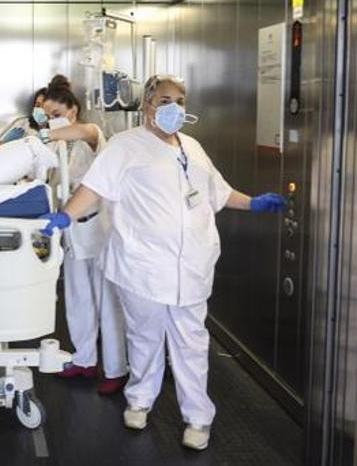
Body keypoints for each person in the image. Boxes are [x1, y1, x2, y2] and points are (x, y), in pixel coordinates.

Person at [40, 74, 286, 451]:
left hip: (192, 265)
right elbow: (94, 189)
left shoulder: (193, 147)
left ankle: (198, 418)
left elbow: (217, 192)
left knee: (191, 343)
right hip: (143, 264)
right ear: (148, 106)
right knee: (144, 337)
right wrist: (66, 216)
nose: (175, 107)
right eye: (166, 99)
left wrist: (252, 202)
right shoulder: (125, 147)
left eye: (181, 100)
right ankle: (139, 399)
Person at [39, 75, 129, 396]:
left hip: (98, 229)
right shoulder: (55, 145)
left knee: (108, 302)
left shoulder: (91, 135)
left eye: (53, 113)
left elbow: (84, 131)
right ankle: (84, 360)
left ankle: (117, 369)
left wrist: (44, 132)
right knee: (78, 299)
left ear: (72, 110)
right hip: (71, 231)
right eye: (44, 115)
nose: (48, 120)